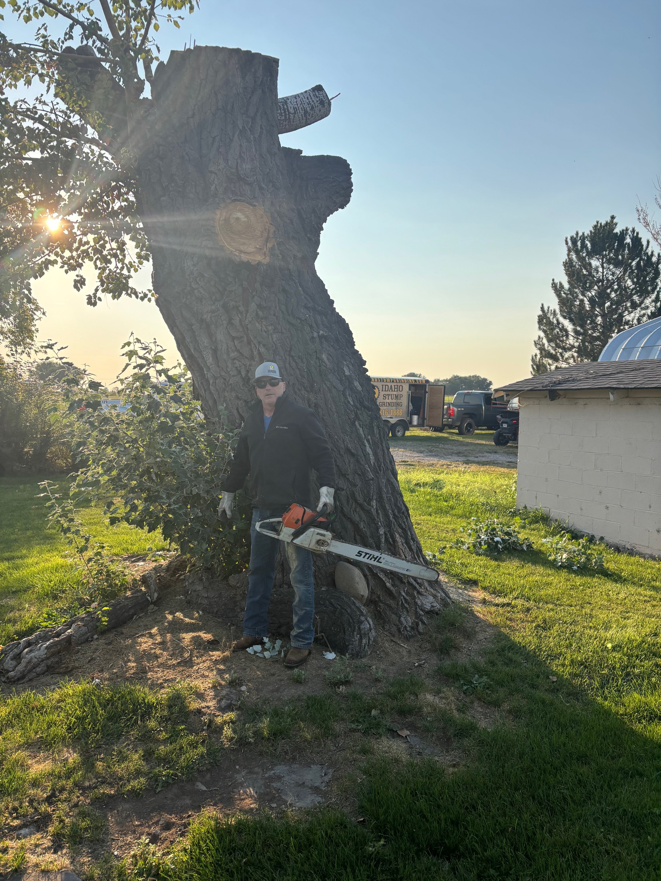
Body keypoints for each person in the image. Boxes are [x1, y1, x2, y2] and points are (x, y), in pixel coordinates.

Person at [218, 361, 335, 668]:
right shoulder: (253, 420)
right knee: (259, 572)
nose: (267, 388)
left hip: (295, 510)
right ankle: (254, 632)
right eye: (261, 384)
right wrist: (229, 491)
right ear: (256, 390)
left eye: (273, 382)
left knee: (300, 576)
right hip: (261, 507)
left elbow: (322, 454)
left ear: (283, 385)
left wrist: (327, 489)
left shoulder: (301, 416)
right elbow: (242, 460)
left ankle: (302, 641)